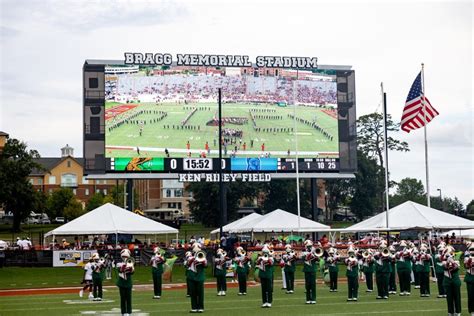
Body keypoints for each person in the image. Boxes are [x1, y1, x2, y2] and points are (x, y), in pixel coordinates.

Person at [442, 245, 462, 316]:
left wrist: (452, 262)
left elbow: (455, 269)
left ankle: (458, 311)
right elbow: (445, 268)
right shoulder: (444, 261)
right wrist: (447, 261)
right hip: (447, 281)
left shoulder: (456, 260)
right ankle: (450, 312)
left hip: (455, 281)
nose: (449, 254)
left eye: (450, 252)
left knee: (457, 296)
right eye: (447, 253)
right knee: (449, 298)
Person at [187, 243, 207, 313]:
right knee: (193, 293)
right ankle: (194, 307)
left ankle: (201, 307)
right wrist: (193, 259)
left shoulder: (203, 256)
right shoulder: (189, 257)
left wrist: (200, 260)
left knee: (200, 293)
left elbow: (205, 265)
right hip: (191, 277)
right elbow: (188, 265)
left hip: (200, 277)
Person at [116, 249, 135, 316]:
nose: (125, 258)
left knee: (129, 298)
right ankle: (123, 312)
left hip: (128, 282)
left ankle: (129, 312)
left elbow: (132, 272)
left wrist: (130, 268)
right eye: (124, 256)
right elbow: (120, 271)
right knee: (123, 298)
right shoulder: (119, 263)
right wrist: (124, 267)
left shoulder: (131, 263)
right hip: (121, 283)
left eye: (126, 257)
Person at [301, 240, 318, 304]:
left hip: (313, 270)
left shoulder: (314, 251)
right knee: (307, 285)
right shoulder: (303, 252)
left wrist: (315, 256)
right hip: (307, 270)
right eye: (308, 246)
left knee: (313, 285)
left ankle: (313, 299)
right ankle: (308, 299)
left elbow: (318, 259)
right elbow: (303, 258)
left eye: (310, 246)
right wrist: (309, 255)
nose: (309, 247)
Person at [464, 242, 474, 316]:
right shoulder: (467, 257)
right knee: (470, 295)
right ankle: (472, 311)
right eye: (471, 249)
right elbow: (466, 266)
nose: (473, 251)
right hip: (470, 277)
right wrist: (470, 262)